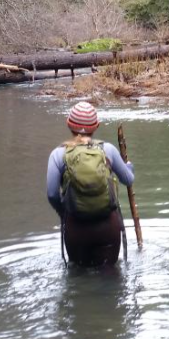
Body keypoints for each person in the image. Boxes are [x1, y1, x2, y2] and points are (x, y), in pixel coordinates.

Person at [46, 101, 134, 266]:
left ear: (68, 124)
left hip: (75, 228)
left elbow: (52, 194)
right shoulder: (108, 150)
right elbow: (128, 180)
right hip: (108, 227)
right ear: (97, 126)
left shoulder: (58, 155)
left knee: (78, 278)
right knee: (110, 278)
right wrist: (129, 167)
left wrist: (63, 213)